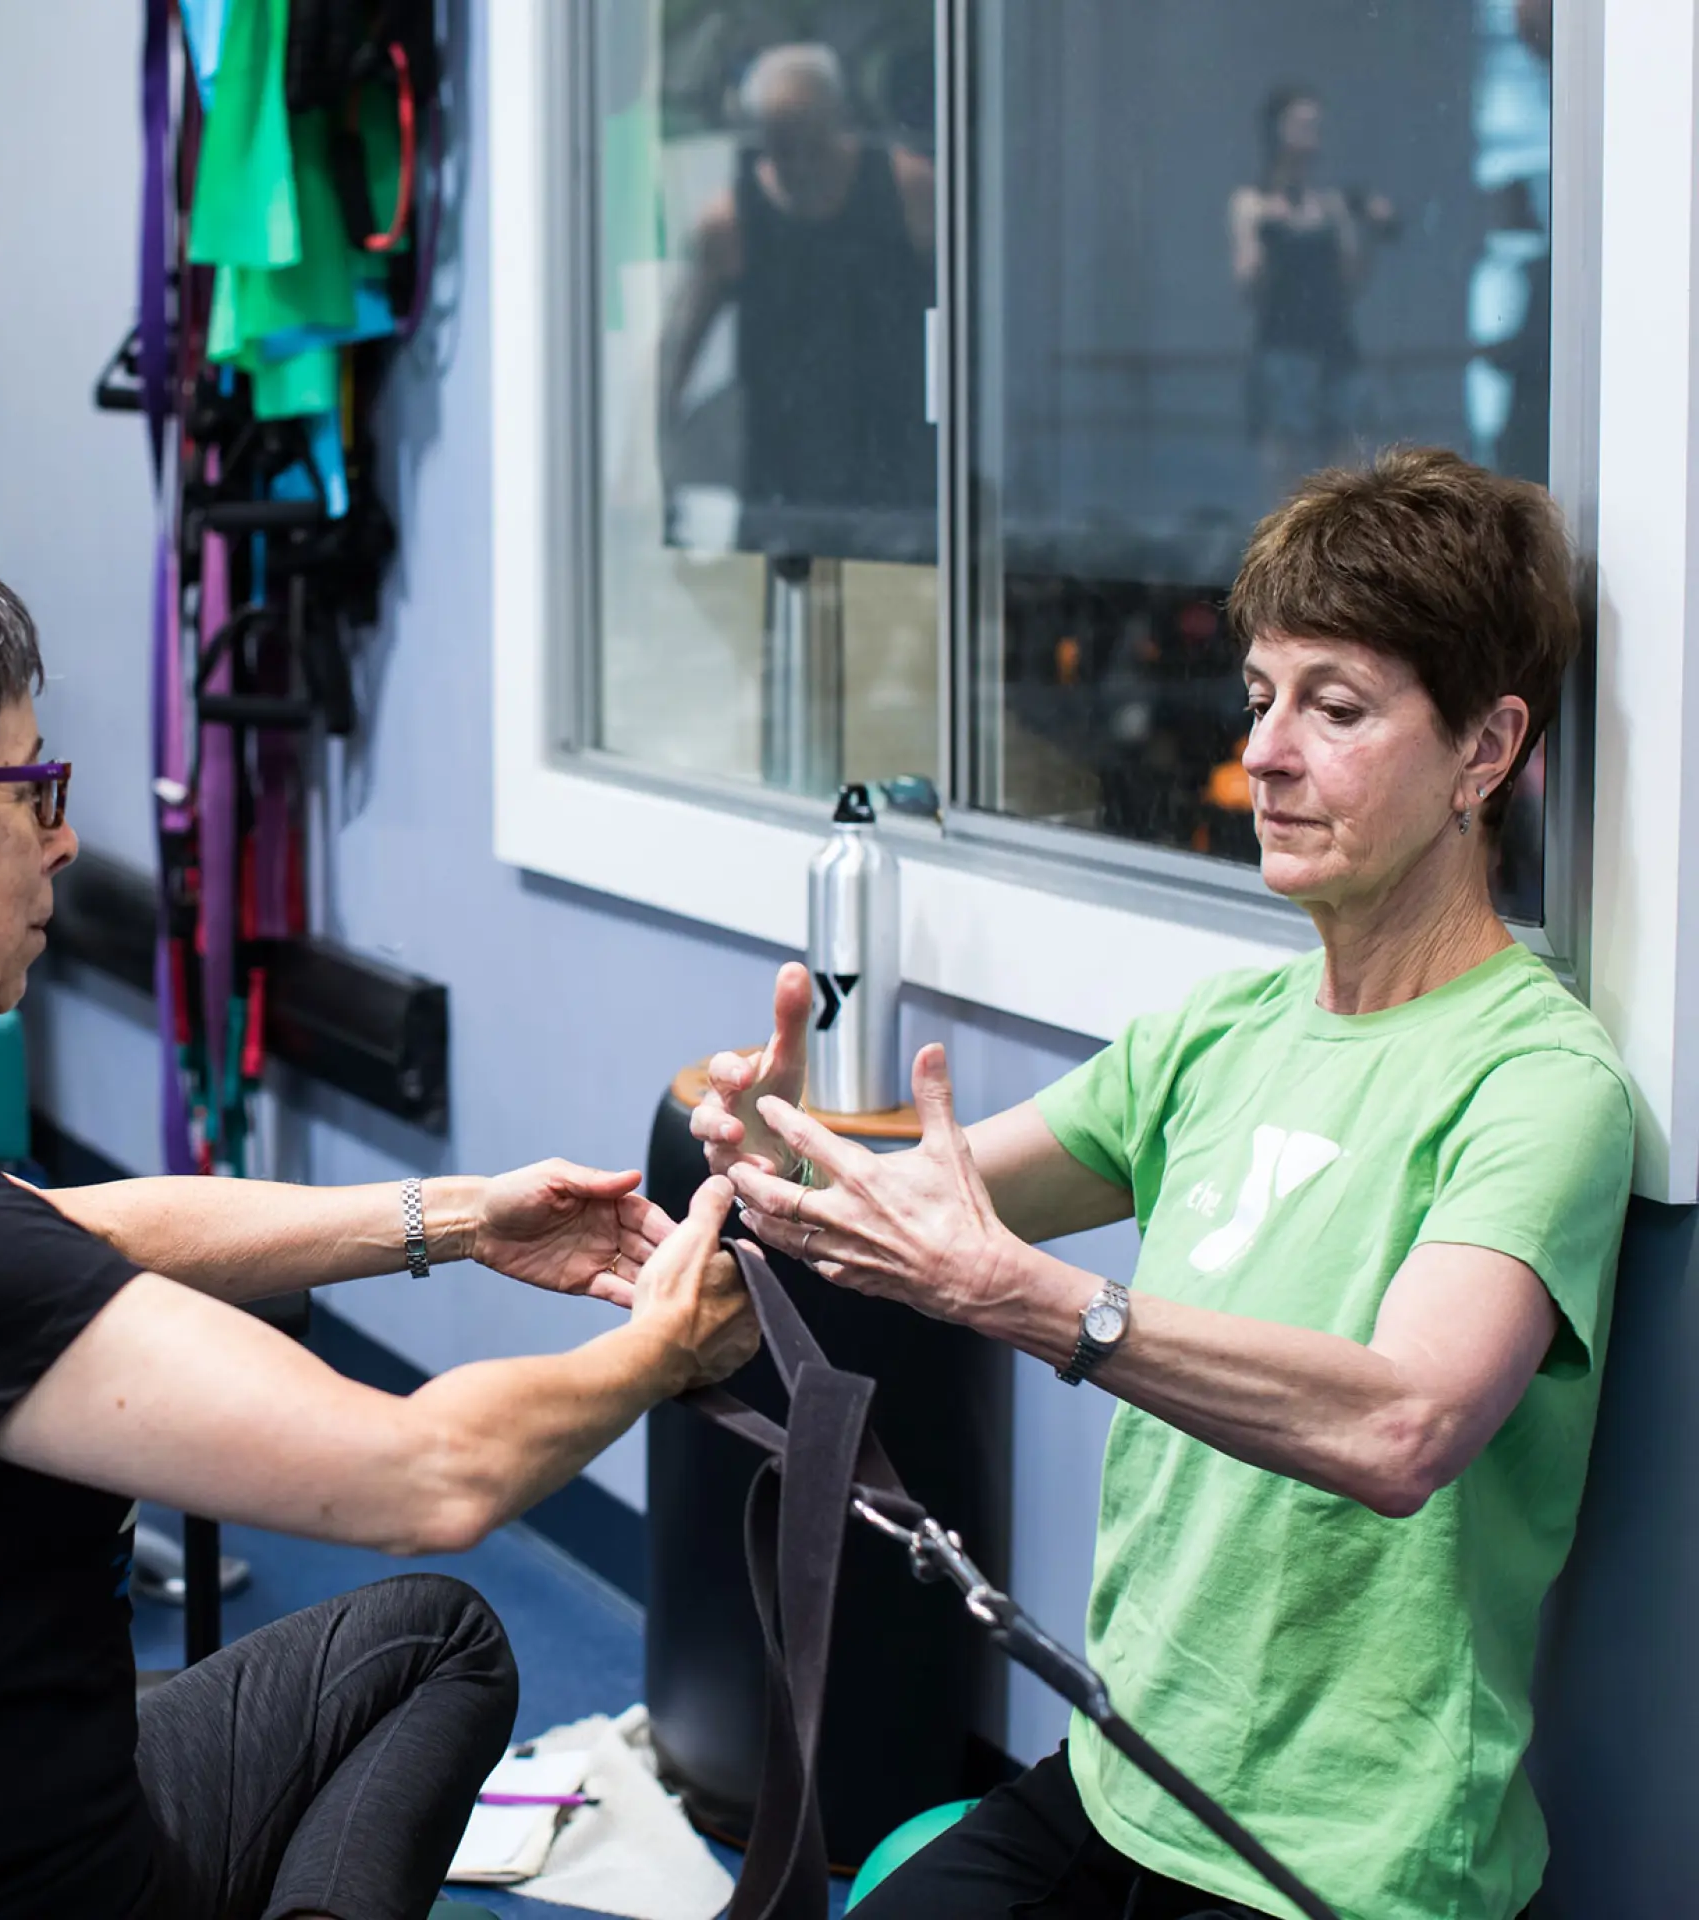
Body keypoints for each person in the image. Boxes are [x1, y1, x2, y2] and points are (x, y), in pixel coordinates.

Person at [693, 448, 1633, 1920]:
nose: (1266, 755)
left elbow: (1403, 1424)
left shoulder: (1539, 1081)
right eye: (1260, 698)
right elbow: (932, 1213)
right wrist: (777, 1161)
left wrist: (1043, 1305)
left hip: (1339, 1866)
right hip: (1117, 1773)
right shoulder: (1213, 1037)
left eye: (1337, 708)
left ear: (1485, 750)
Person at [0, 523, 759, 1920]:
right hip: (2, 1882)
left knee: (428, 1649)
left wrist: (462, 1218)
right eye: (33, 790)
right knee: (436, 1600)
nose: (64, 839)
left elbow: (67, 1232)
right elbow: (430, 1476)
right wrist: (663, 1348)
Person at [659, 41, 936, 530]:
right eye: (783, 148)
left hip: (898, 458)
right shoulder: (728, 224)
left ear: (841, 122)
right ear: (759, 139)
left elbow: (972, 312)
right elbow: (679, 348)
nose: (802, 165)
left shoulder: (910, 190)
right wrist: (651, 464)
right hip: (783, 473)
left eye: (815, 145)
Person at [1229, 88, 1394, 503]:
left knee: (1347, 463)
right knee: (1284, 464)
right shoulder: (1253, 203)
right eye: (1301, 124)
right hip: (1284, 346)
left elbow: (1350, 281)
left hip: (1335, 344)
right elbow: (1246, 283)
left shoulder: (1330, 206)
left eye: (1314, 125)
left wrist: (1371, 234)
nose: (1310, 134)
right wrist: (1265, 243)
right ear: (1276, 130)